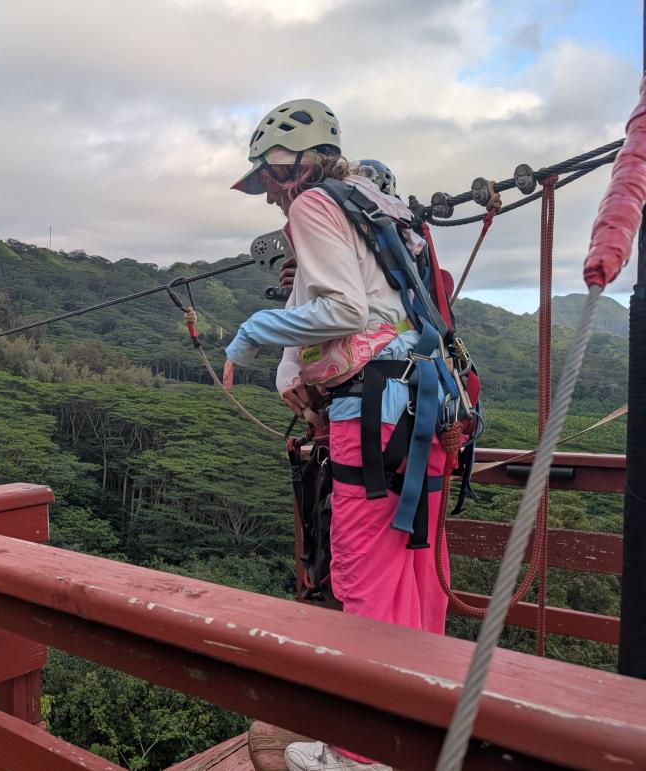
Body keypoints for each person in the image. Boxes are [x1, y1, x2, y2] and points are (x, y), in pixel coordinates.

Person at [224, 99, 450, 771]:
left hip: (372, 412)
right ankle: (419, 728)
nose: (267, 194)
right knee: (417, 575)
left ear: (285, 164)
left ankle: (361, 753)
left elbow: (344, 309)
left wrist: (252, 335)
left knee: (364, 576)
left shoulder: (314, 205)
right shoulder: (381, 207)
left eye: (266, 178)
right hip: (426, 407)